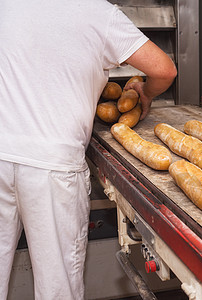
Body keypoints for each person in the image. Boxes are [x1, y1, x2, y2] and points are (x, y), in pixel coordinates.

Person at [0, 0, 177, 299]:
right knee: (58, 287)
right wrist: (145, 92)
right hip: (52, 166)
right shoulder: (98, 12)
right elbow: (164, 69)